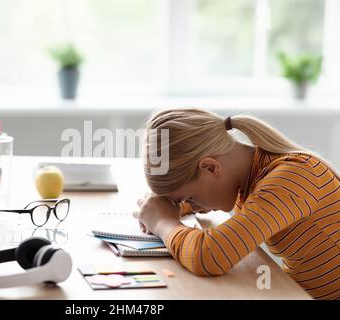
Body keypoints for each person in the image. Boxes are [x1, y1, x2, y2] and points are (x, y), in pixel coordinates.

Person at [135, 108, 339, 300]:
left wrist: (162, 222)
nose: (193, 205)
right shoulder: (251, 178)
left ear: (210, 167)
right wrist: (169, 205)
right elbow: (203, 207)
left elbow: (210, 255)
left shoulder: (292, 178)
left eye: (189, 198)